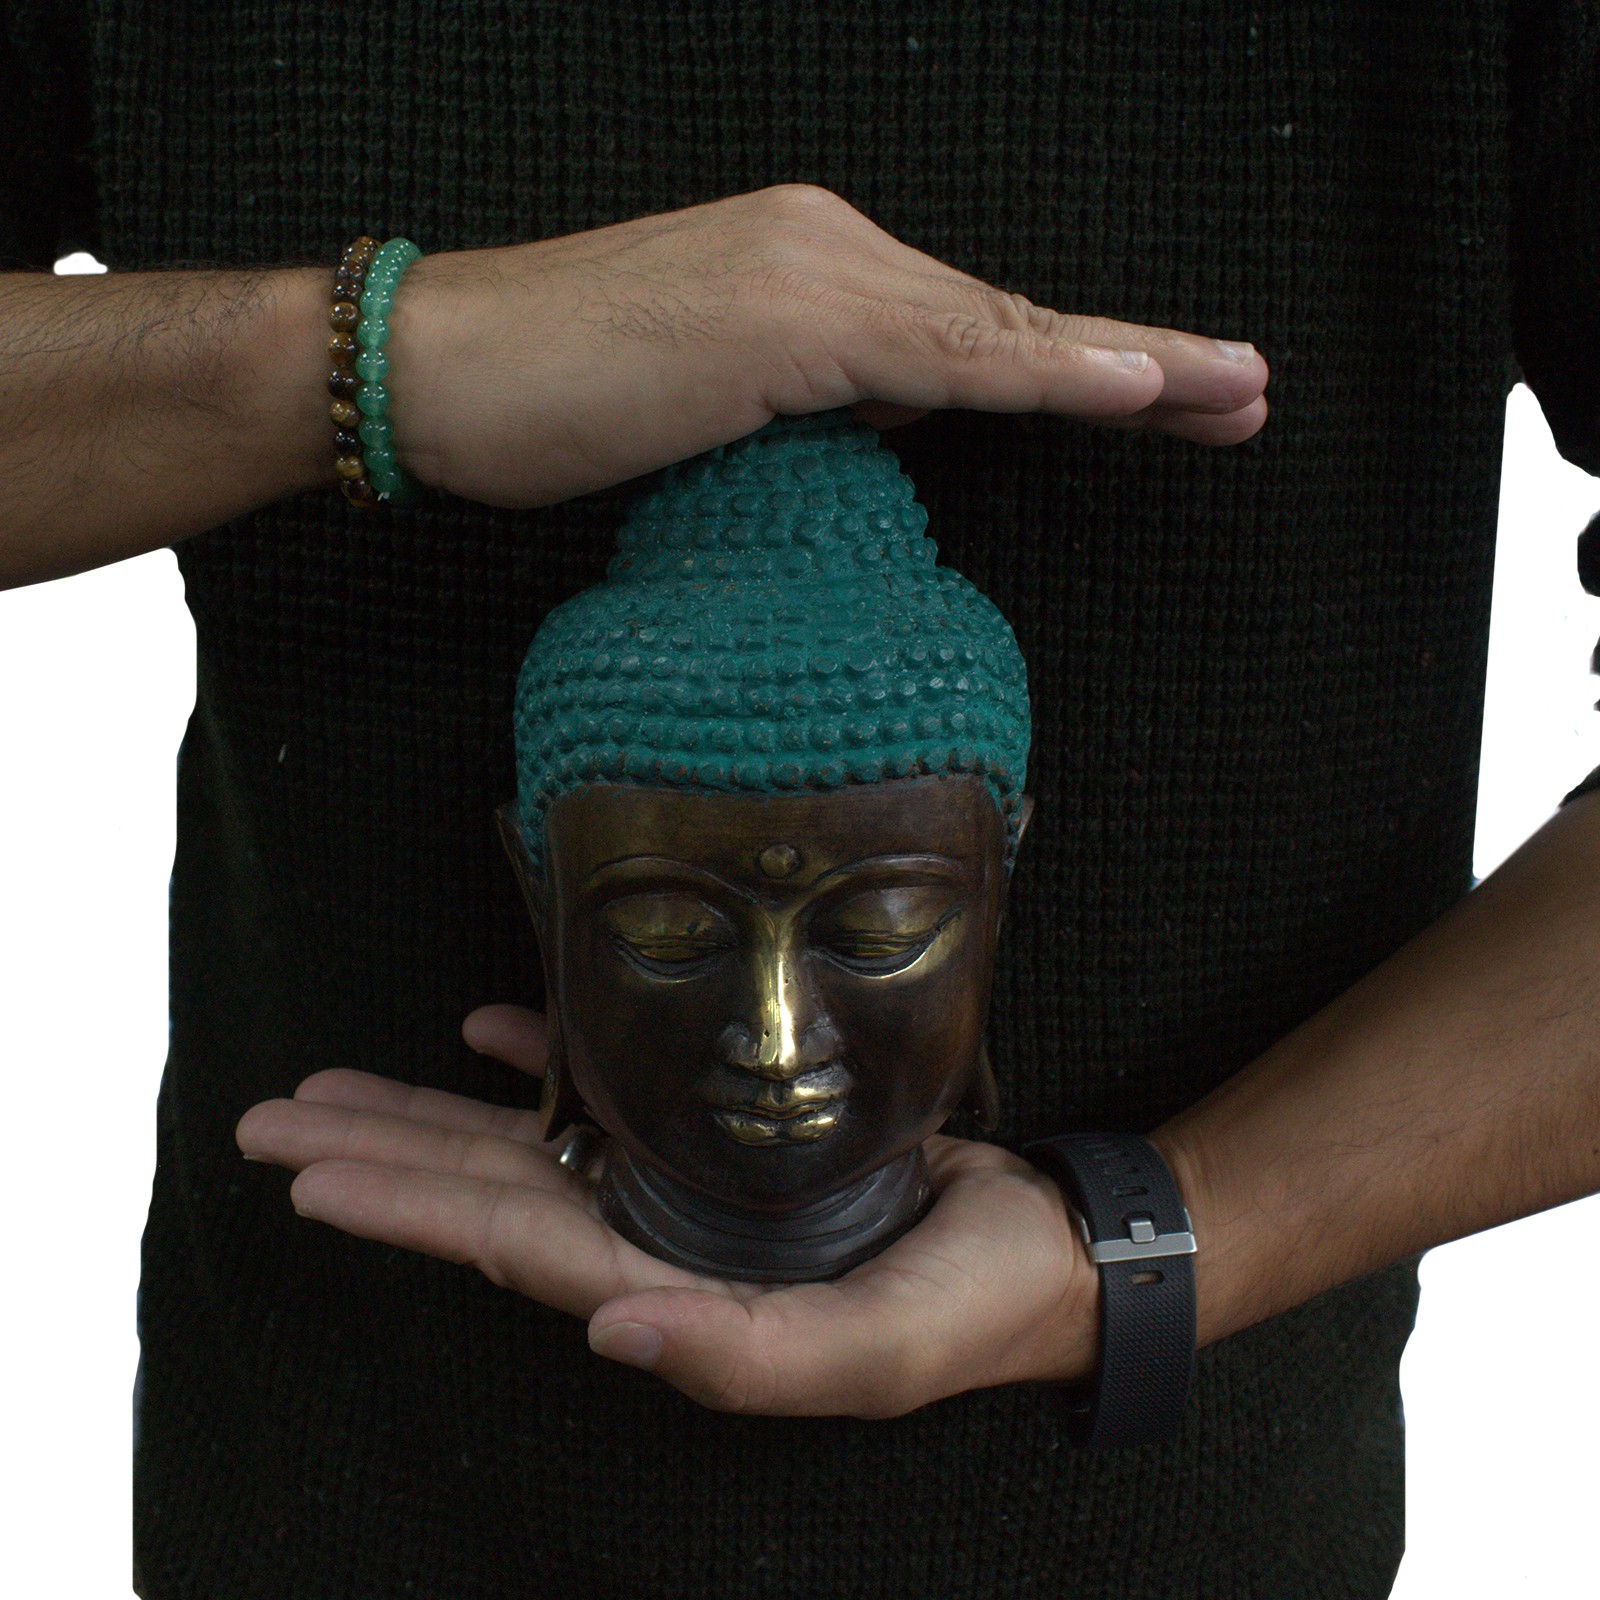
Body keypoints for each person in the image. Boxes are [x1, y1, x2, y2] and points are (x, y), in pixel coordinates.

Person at [3, 4, 1596, 1596]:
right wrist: (388, 357)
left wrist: (1158, 1245)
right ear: (539, 882)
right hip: (340, 1468)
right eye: (668, 933)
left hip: (1185, 1516)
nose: (775, 1041)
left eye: (889, 923)